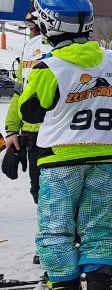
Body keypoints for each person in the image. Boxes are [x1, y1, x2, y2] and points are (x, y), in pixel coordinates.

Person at [19, 0, 112, 290]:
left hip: (58, 162)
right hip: (103, 159)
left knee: (55, 232)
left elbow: (29, 110)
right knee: (97, 229)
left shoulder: (48, 66)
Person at [4, 11, 51, 204]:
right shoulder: (30, 47)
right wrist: (12, 130)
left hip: (59, 133)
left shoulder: (65, 43)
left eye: (34, 27)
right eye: (29, 27)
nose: (31, 31)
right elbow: (19, 92)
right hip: (32, 133)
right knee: (39, 193)